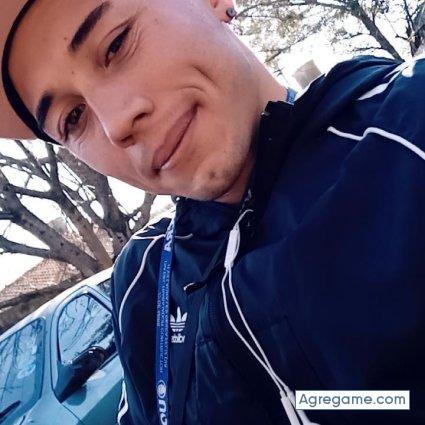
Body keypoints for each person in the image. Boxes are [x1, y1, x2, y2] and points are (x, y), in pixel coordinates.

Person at [1, 1, 424, 424]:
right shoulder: (144, 280)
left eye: (116, 44)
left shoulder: (405, 132)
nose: (116, 125)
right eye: (73, 118)